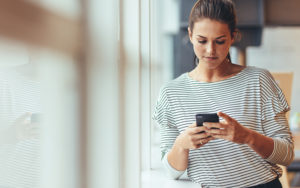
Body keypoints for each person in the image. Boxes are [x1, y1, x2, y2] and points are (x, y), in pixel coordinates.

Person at [153, 0, 294, 187]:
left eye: (220, 41)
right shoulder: (171, 93)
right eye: (202, 41)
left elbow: (287, 155)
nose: (210, 50)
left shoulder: (259, 80)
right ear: (190, 34)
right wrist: (181, 144)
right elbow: (172, 172)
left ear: (233, 36)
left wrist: (247, 136)